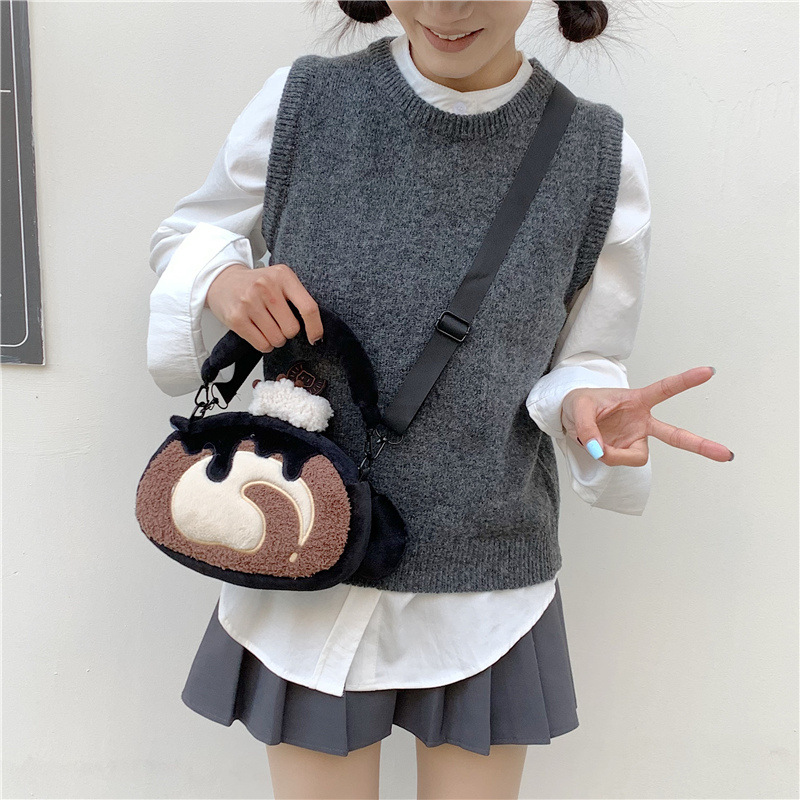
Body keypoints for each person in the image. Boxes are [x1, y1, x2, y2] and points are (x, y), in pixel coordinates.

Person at [147, 2, 734, 798]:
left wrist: (590, 406)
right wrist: (223, 278)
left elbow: (587, 355)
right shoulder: (305, 102)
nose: (447, 8)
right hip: (304, 541)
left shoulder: (596, 153)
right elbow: (188, 235)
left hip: (485, 567)